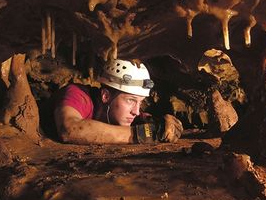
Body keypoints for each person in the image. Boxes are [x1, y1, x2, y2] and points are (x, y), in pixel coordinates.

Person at [52, 58, 183, 144]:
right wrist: (140, 134)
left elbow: (145, 119)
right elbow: (69, 130)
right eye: (131, 100)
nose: (136, 112)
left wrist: (161, 124)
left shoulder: (130, 114)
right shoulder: (78, 95)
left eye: (140, 102)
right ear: (105, 96)